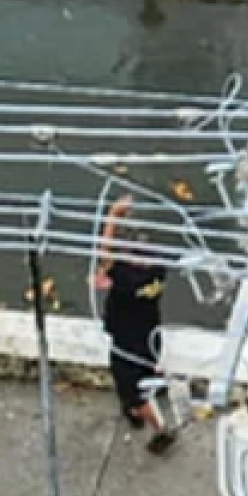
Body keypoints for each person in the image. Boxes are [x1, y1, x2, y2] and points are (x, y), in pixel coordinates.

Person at [96, 195, 176, 455]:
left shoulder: (126, 281)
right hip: (149, 337)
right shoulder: (157, 272)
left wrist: (113, 215)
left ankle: (158, 427)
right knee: (148, 370)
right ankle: (150, 391)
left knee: (133, 391)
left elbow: (105, 256)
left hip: (127, 347)